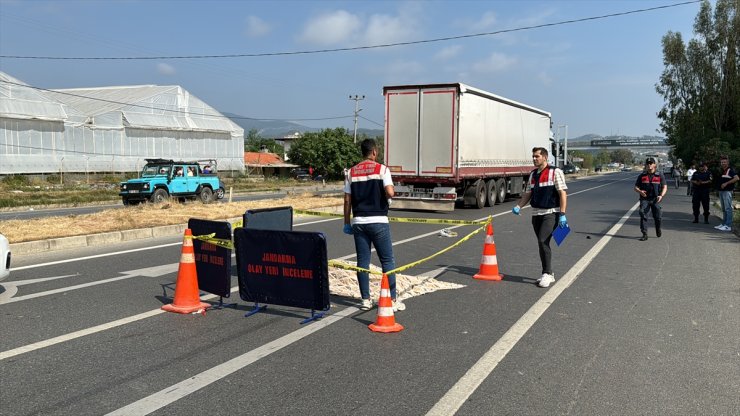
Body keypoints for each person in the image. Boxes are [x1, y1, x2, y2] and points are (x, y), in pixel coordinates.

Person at [343, 139, 404, 312]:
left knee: (363, 261)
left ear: (362, 152)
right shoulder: (382, 169)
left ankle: (365, 299)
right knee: (387, 260)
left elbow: (347, 199)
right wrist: (390, 198)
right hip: (379, 221)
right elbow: (390, 191)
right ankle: (391, 298)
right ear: (375, 152)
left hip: (359, 222)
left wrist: (347, 222)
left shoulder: (352, 172)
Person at [512, 147, 568, 288]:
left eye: (537, 156)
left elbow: (562, 193)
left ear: (545, 157)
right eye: (533, 156)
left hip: (551, 213)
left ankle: (547, 273)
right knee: (541, 242)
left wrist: (562, 214)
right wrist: (519, 206)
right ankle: (548, 272)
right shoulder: (533, 174)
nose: (534, 158)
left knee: (543, 241)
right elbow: (528, 193)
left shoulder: (555, 172)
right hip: (536, 214)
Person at [634, 157, 667, 241]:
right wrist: (640, 191)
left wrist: (661, 195)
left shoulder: (659, 175)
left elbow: (664, 187)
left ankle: (658, 229)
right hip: (645, 199)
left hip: (655, 199)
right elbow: (635, 187)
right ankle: (644, 234)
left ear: (655, 165)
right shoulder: (642, 176)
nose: (649, 165)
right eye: (648, 163)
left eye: (651, 163)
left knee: (658, 216)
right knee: (643, 214)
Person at [715, 155, 739, 231]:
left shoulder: (730, 170)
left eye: (724, 162)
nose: (723, 163)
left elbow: (737, 178)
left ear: (727, 162)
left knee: (728, 208)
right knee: (724, 208)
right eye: (722, 162)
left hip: (727, 191)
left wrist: (726, 183)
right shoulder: (723, 170)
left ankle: (728, 225)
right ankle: (724, 224)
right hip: (721, 191)